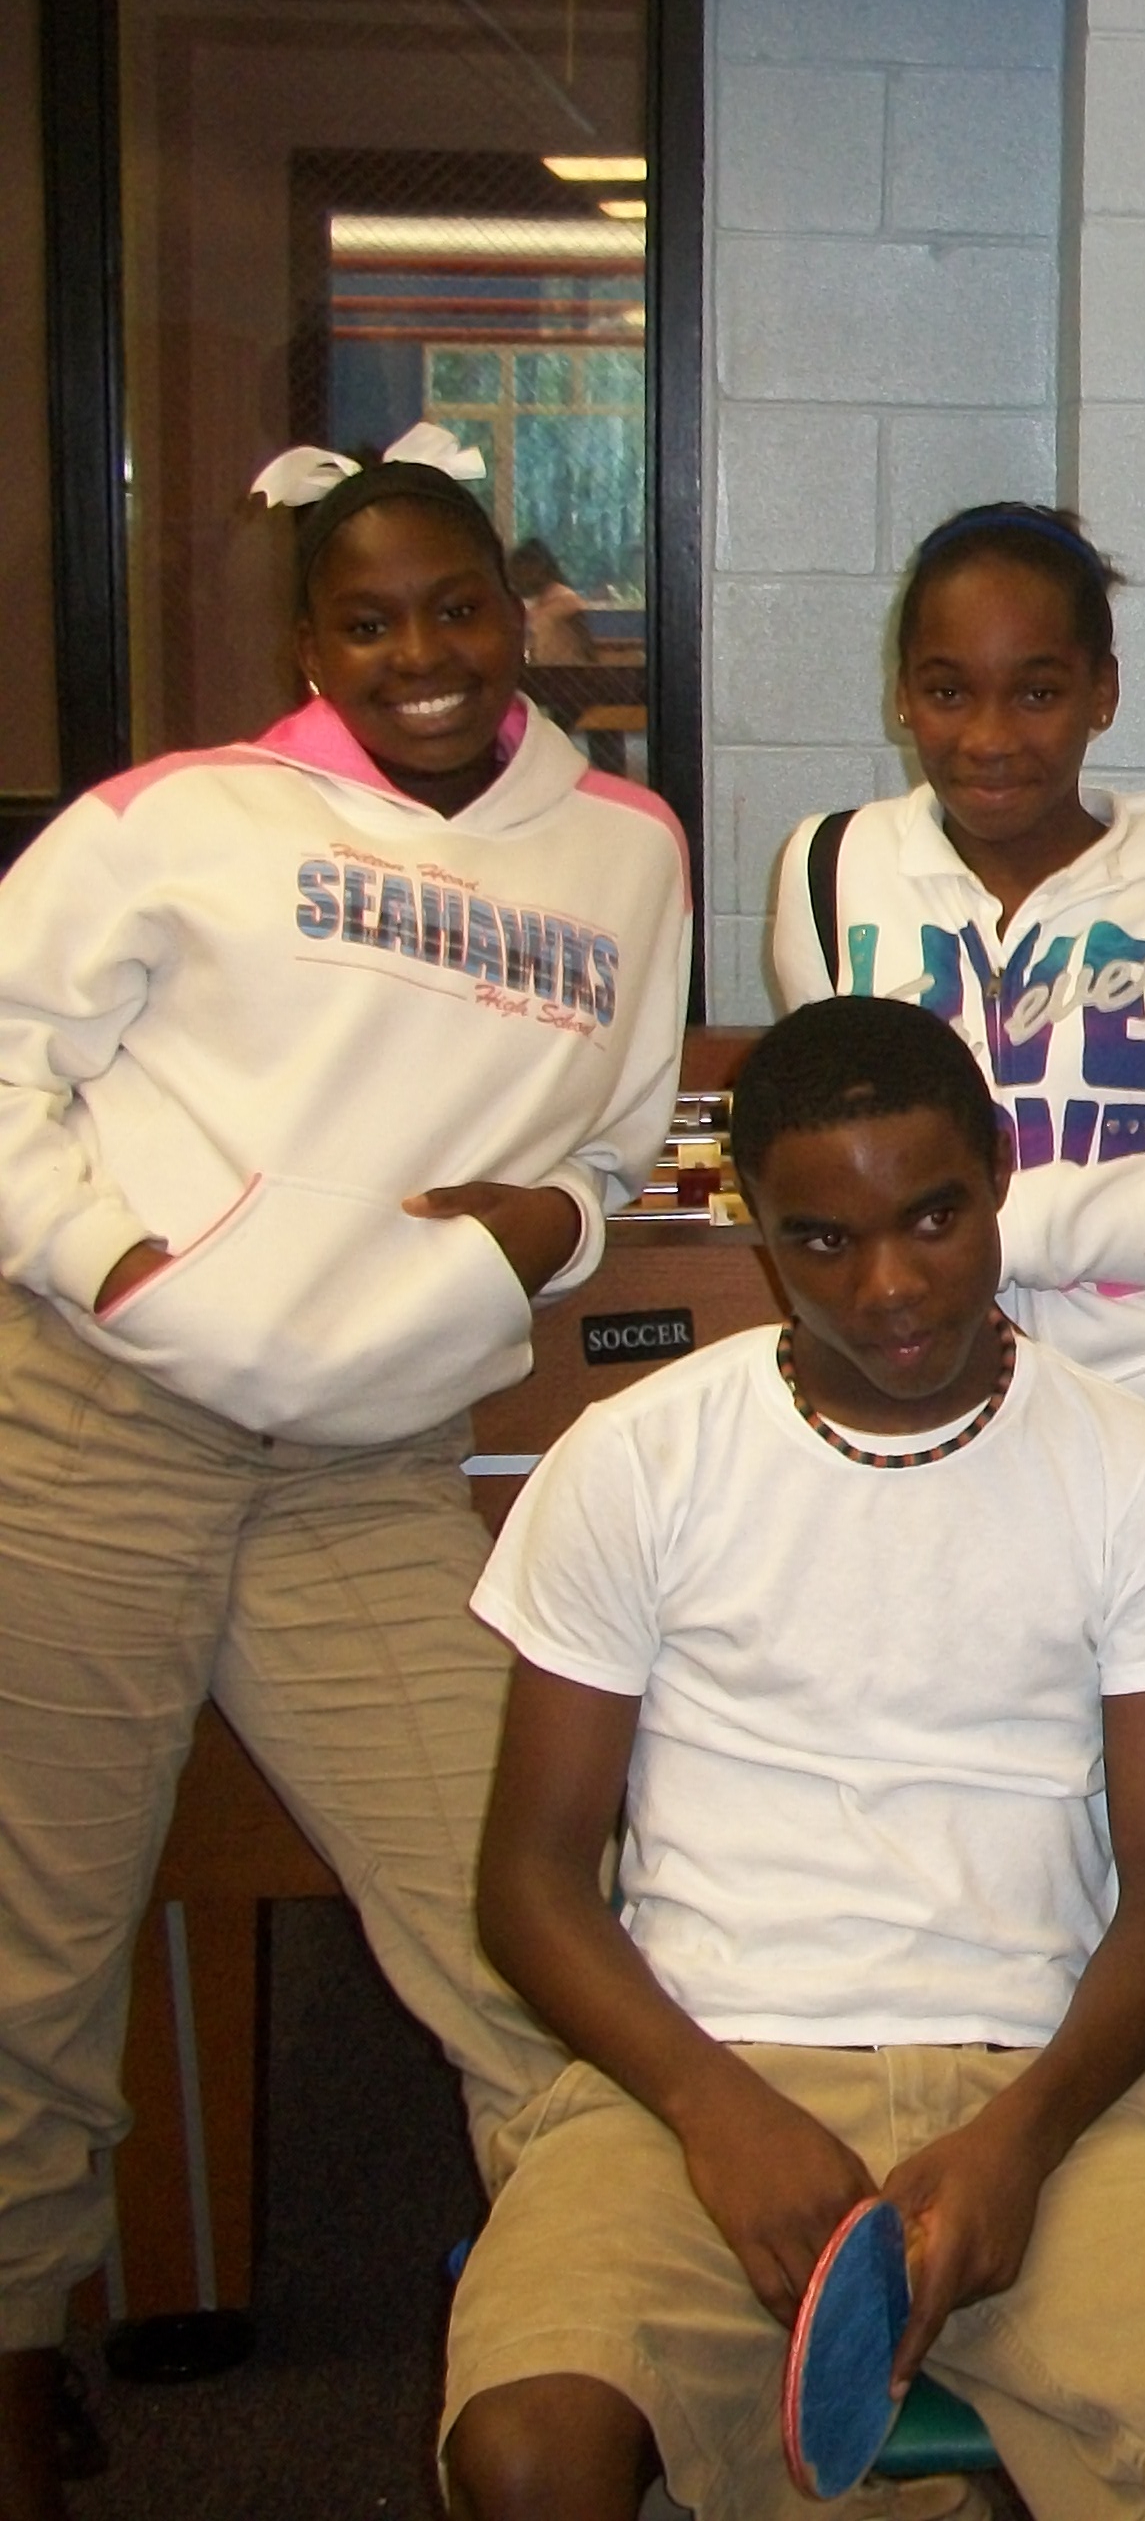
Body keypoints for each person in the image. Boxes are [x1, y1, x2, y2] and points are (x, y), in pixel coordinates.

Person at [440, 996, 1145, 2521]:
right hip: (701, 2072)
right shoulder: (636, 1459)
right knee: (526, 2452)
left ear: (1003, 1175)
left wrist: (1024, 2138)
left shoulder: (1139, 1475)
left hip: (1037, 2086)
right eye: (822, 1241)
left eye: (935, 1218)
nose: (888, 1286)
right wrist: (715, 2114)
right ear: (757, 1227)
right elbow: (534, 1884)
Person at [0, 450, 689, 2517]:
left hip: (366, 1471)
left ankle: (602, 2324)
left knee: (520, 1913)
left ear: (516, 608)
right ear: (308, 641)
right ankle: (13, 2333)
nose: (420, 655)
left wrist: (547, 1229)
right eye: (367, 621)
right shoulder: (176, 820)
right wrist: (110, 1260)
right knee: (39, 1927)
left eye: (454, 606)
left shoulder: (625, 852)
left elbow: (619, 1138)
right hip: (98, 1427)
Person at [761, 504, 1145, 2281]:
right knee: (1003, 1841)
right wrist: (1028, 1232)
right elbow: (834, 1169)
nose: (990, 734)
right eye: (947, 689)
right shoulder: (829, 877)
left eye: (1035, 688)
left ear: (1102, 691)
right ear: (901, 694)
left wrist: (985, 1227)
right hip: (966, 1435)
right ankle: (1035, 2229)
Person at [508, 538, 598, 669]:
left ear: (539, 569)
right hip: (546, 672)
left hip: (571, 671)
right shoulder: (536, 606)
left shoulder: (567, 601)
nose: (518, 579)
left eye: (522, 572)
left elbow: (586, 647)